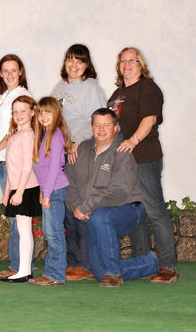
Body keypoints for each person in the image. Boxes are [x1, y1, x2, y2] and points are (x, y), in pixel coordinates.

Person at [65, 108, 159, 287]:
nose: (101, 129)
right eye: (97, 125)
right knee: (100, 272)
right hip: (93, 215)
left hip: (129, 208)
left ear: (115, 128)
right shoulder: (82, 149)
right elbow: (70, 182)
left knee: (101, 217)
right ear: (92, 128)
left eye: (106, 125)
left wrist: (86, 207)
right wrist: (77, 206)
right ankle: (151, 261)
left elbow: (119, 192)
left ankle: (114, 273)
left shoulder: (122, 152)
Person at [108, 47, 178, 283]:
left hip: (144, 157)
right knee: (135, 213)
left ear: (141, 65)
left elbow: (149, 118)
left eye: (132, 61)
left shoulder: (148, 88)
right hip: (122, 163)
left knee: (155, 211)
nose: (127, 64)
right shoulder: (118, 93)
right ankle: (142, 261)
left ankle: (168, 266)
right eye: (123, 61)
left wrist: (134, 140)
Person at [51, 44, 106, 281]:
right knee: (65, 207)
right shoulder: (59, 87)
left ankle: (84, 263)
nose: (73, 65)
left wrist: (78, 142)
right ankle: (72, 261)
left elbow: (99, 122)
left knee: (79, 205)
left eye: (79, 61)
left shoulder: (90, 88)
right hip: (61, 152)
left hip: (79, 151)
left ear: (86, 65)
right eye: (69, 60)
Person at [0, 54, 31, 279]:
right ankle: (17, 265)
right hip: (3, 159)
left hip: (13, 160)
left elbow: (12, 131)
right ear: (0, 74)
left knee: (17, 216)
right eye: (6, 71)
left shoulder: (22, 97)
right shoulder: (3, 98)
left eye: (14, 70)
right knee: (13, 215)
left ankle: (19, 266)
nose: (10, 74)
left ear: (20, 72)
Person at [28, 97, 71, 286]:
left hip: (55, 190)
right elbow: (41, 170)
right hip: (48, 190)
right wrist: (41, 191)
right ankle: (52, 272)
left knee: (54, 234)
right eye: (40, 112)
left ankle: (55, 275)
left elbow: (54, 168)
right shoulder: (44, 135)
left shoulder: (56, 135)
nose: (43, 116)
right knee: (49, 232)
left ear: (56, 114)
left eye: (48, 112)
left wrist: (47, 194)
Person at [0, 95, 41, 283]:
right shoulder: (15, 136)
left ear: (33, 113)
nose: (19, 114)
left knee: (24, 230)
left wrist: (20, 192)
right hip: (17, 188)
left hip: (26, 188)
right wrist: (7, 191)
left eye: (23, 110)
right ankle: (23, 269)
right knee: (21, 228)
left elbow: (26, 166)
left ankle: (24, 270)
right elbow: (11, 168)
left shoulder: (28, 135)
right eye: (15, 111)